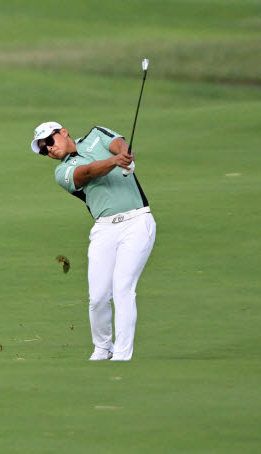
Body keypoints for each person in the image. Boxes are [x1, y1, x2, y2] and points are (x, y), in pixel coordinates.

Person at [31, 121, 156, 361]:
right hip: (104, 228)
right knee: (98, 296)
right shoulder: (62, 172)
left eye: (49, 141)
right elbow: (87, 173)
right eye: (43, 150)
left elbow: (118, 142)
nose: (49, 149)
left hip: (137, 221)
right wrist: (114, 162)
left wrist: (123, 155)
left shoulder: (96, 134)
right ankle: (102, 348)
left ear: (63, 132)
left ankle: (121, 354)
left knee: (122, 288)